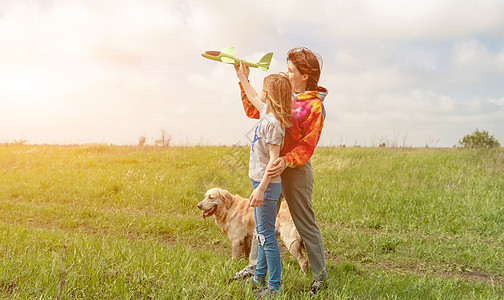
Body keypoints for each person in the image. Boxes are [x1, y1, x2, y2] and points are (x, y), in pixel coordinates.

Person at [230, 47, 328, 296]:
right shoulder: (284, 96)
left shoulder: (314, 107)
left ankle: (319, 277)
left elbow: (307, 145)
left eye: (291, 70)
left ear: (305, 75)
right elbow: (255, 109)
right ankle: (254, 269)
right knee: (263, 220)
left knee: (304, 222)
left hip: (295, 171)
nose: (286, 73)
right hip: (271, 171)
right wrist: (244, 80)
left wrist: (286, 160)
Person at [235, 60, 293, 298]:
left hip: (266, 187)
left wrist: (261, 190)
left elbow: (273, 161)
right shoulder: (265, 112)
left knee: (267, 236)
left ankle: (275, 287)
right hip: (259, 182)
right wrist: (242, 76)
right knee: (261, 232)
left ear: (267, 93)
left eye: (261, 88)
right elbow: (251, 96)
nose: (258, 91)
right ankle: (259, 278)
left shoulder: (273, 125)